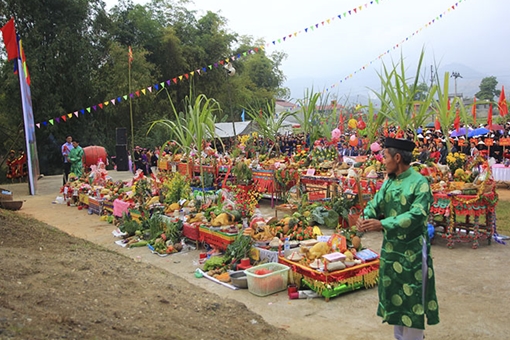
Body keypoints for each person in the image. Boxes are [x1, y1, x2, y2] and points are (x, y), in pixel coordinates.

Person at [357, 137, 439, 340]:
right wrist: (365, 218)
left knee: (412, 299)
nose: (383, 161)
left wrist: (382, 224)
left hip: (412, 253)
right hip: (391, 250)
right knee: (394, 296)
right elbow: (375, 204)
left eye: (385, 157)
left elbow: (417, 215)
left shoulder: (420, 183)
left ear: (397, 157)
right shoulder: (389, 182)